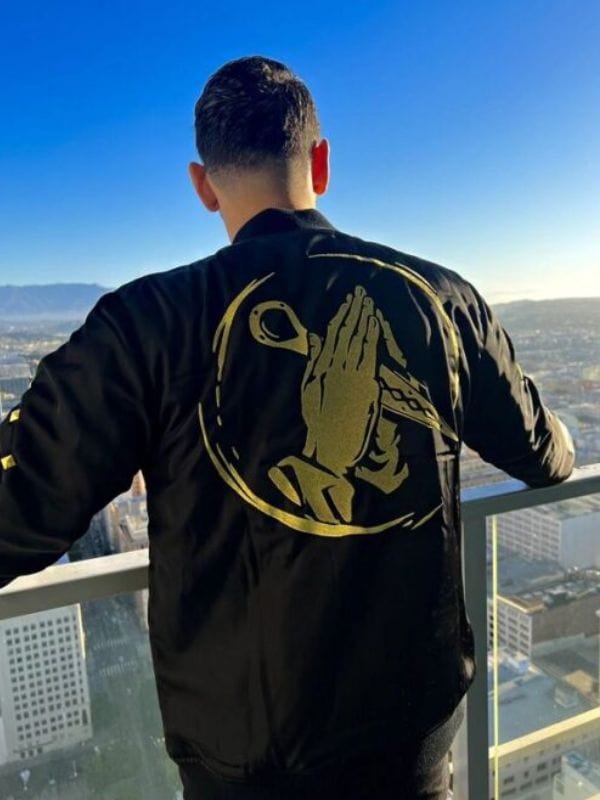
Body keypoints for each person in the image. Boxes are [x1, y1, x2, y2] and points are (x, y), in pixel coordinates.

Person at [0, 56, 574, 799]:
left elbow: (21, 508)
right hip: (410, 744)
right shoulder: (442, 299)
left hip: (241, 757)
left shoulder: (144, 323)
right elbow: (543, 452)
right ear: (321, 163)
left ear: (203, 186)